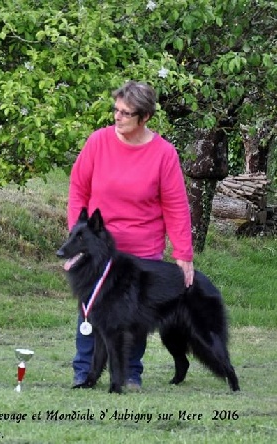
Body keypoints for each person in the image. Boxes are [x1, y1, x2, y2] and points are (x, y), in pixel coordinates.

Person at [66, 80, 194, 390]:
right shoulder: (97, 142)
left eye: (126, 112)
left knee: (133, 318)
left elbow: (175, 206)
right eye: (116, 110)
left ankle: (130, 373)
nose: (118, 117)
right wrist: (76, 243)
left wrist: (183, 255)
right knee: (91, 310)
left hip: (141, 250)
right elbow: (78, 191)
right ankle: (85, 371)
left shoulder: (164, 154)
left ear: (145, 116)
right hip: (97, 250)